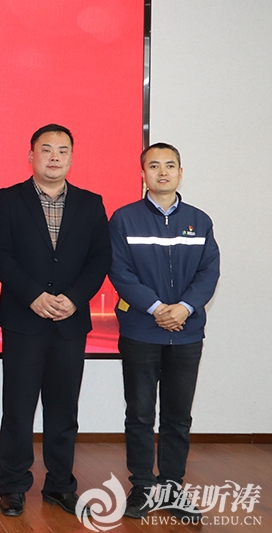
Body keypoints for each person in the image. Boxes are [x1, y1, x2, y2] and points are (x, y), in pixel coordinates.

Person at [0, 124, 111, 517]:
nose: (54, 157)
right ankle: (13, 486)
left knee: (64, 411)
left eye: (62, 150)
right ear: (31, 156)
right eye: (46, 149)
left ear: (71, 156)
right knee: (18, 410)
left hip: (70, 323)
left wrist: (73, 299)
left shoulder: (91, 203)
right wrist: (33, 296)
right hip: (25, 320)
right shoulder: (8, 199)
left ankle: (60, 485)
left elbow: (100, 259)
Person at [108, 143, 219, 520]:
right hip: (141, 331)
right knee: (140, 414)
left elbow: (209, 272)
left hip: (186, 333)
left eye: (170, 166)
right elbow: (120, 272)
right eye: (154, 166)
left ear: (180, 173)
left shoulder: (200, 221)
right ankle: (141, 485)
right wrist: (157, 309)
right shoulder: (124, 219)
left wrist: (184, 308)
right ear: (143, 174)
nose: (162, 172)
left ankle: (172, 486)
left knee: (178, 416)